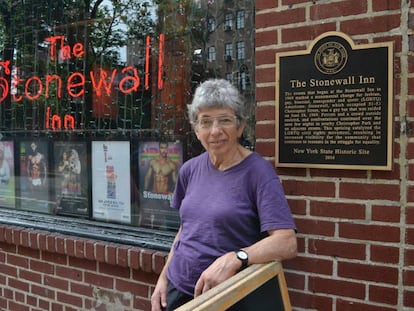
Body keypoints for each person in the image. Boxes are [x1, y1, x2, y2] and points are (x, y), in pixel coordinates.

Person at [151, 79, 297, 311]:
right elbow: (185, 229)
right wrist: (164, 278)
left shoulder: (258, 172)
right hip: (178, 291)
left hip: (227, 298)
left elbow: (286, 242)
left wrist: (236, 257)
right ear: (196, 130)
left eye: (225, 120)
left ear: (240, 127)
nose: (215, 130)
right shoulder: (189, 169)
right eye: (206, 122)